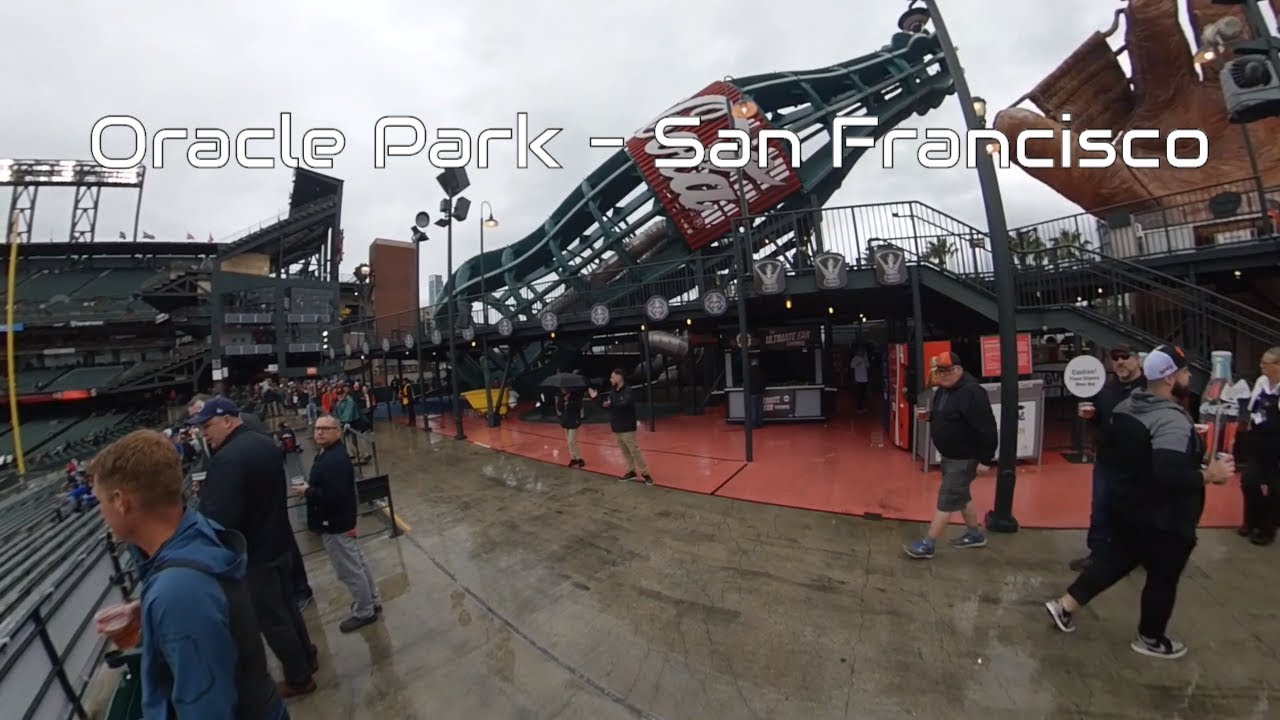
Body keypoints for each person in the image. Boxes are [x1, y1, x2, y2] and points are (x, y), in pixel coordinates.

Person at [1044, 345, 1234, 659]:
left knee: (1116, 560)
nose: (1190, 377)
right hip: (1164, 518)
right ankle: (1151, 638)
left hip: (1128, 507)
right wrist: (1208, 475)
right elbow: (1168, 473)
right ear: (1171, 378)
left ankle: (1064, 605)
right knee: (1163, 578)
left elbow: (1114, 449)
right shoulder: (1169, 420)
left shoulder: (1127, 405)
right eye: (1186, 372)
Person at [89, 429, 286, 719]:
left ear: (120, 501)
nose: (100, 512)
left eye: (100, 501)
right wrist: (152, 616)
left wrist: (170, 606)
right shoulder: (194, 532)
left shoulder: (178, 592)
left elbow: (206, 709)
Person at [187, 397, 317, 697]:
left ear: (229, 420)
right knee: (288, 608)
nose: (205, 434)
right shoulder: (264, 444)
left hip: (255, 553)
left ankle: (299, 678)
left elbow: (219, 518)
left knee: (272, 619)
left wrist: (208, 495)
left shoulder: (228, 458)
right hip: (280, 542)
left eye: (208, 426)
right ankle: (307, 657)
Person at [289, 414, 382, 632]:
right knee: (358, 563)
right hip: (341, 520)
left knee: (349, 569)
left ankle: (364, 611)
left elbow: (336, 495)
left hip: (335, 523)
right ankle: (372, 600)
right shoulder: (329, 454)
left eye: (325, 428)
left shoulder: (335, 459)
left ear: (337, 432)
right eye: (317, 428)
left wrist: (308, 491)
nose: (319, 431)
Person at [905, 352, 997, 559]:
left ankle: (928, 544)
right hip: (949, 456)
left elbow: (988, 429)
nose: (943, 375)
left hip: (965, 458)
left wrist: (985, 460)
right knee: (962, 496)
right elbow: (942, 415)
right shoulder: (943, 391)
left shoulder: (973, 393)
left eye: (947, 370)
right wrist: (929, 418)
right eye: (940, 371)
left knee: (946, 499)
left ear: (959, 370)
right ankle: (974, 534)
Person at [1070, 345, 1146, 571]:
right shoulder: (1106, 391)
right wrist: (1091, 418)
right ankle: (1098, 553)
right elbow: (1102, 420)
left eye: (1125, 357)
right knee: (1101, 506)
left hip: (1137, 462)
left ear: (1137, 359)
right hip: (1106, 460)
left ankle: (1137, 554)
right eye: (1115, 358)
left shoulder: (1149, 391)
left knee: (1136, 508)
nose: (1120, 362)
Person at [1240, 346, 1280, 545]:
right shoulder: (1261, 382)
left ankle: (1267, 529)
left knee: (1275, 488)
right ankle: (1251, 521)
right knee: (1249, 482)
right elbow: (1253, 411)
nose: (1260, 365)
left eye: (1266, 362)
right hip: (1258, 443)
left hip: (1277, 449)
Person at [588, 369, 652, 484]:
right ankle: (630, 470)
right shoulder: (612, 392)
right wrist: (596, 399)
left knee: (634, 451)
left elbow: (624, 404)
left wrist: (611, 404)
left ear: (619, 377)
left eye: (613, 377)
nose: (611, 379)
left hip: (627, 426)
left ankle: (645, 473)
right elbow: (607, 406)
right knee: (624, 451)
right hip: (616, 426)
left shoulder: (628, 391)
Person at [557, 388, 586, 467]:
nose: (562, 389)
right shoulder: (561, 397)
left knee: (571, 441)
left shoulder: (575, 396)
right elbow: (560, 408)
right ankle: (573, 458)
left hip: (573, 420)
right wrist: (563, 401)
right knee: (568, 441)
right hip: (565, 421)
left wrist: (569, 403)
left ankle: (579, 458)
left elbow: (579, 407)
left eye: (563, 388)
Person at [850, 347, 870, 414]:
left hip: (865, 379)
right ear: (857, 352)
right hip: (858, 379)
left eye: (862, 351)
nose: (861, 352)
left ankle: (862, 407)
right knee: (859, 394)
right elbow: (852, 369)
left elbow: (867, 367)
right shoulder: (855, 359)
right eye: (860, 351)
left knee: (863, 394)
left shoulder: (865, 358)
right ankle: (859, 408)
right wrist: (853, 379)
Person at [747, 357, 765, 429]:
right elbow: (764, 381)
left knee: (753, 409)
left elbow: (747, 382)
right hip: (760, 392)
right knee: (760, 409)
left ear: (751, 363)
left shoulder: (749, 371)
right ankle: (760, 423)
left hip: (752, 393)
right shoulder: (761, 370)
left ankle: (754, 424)